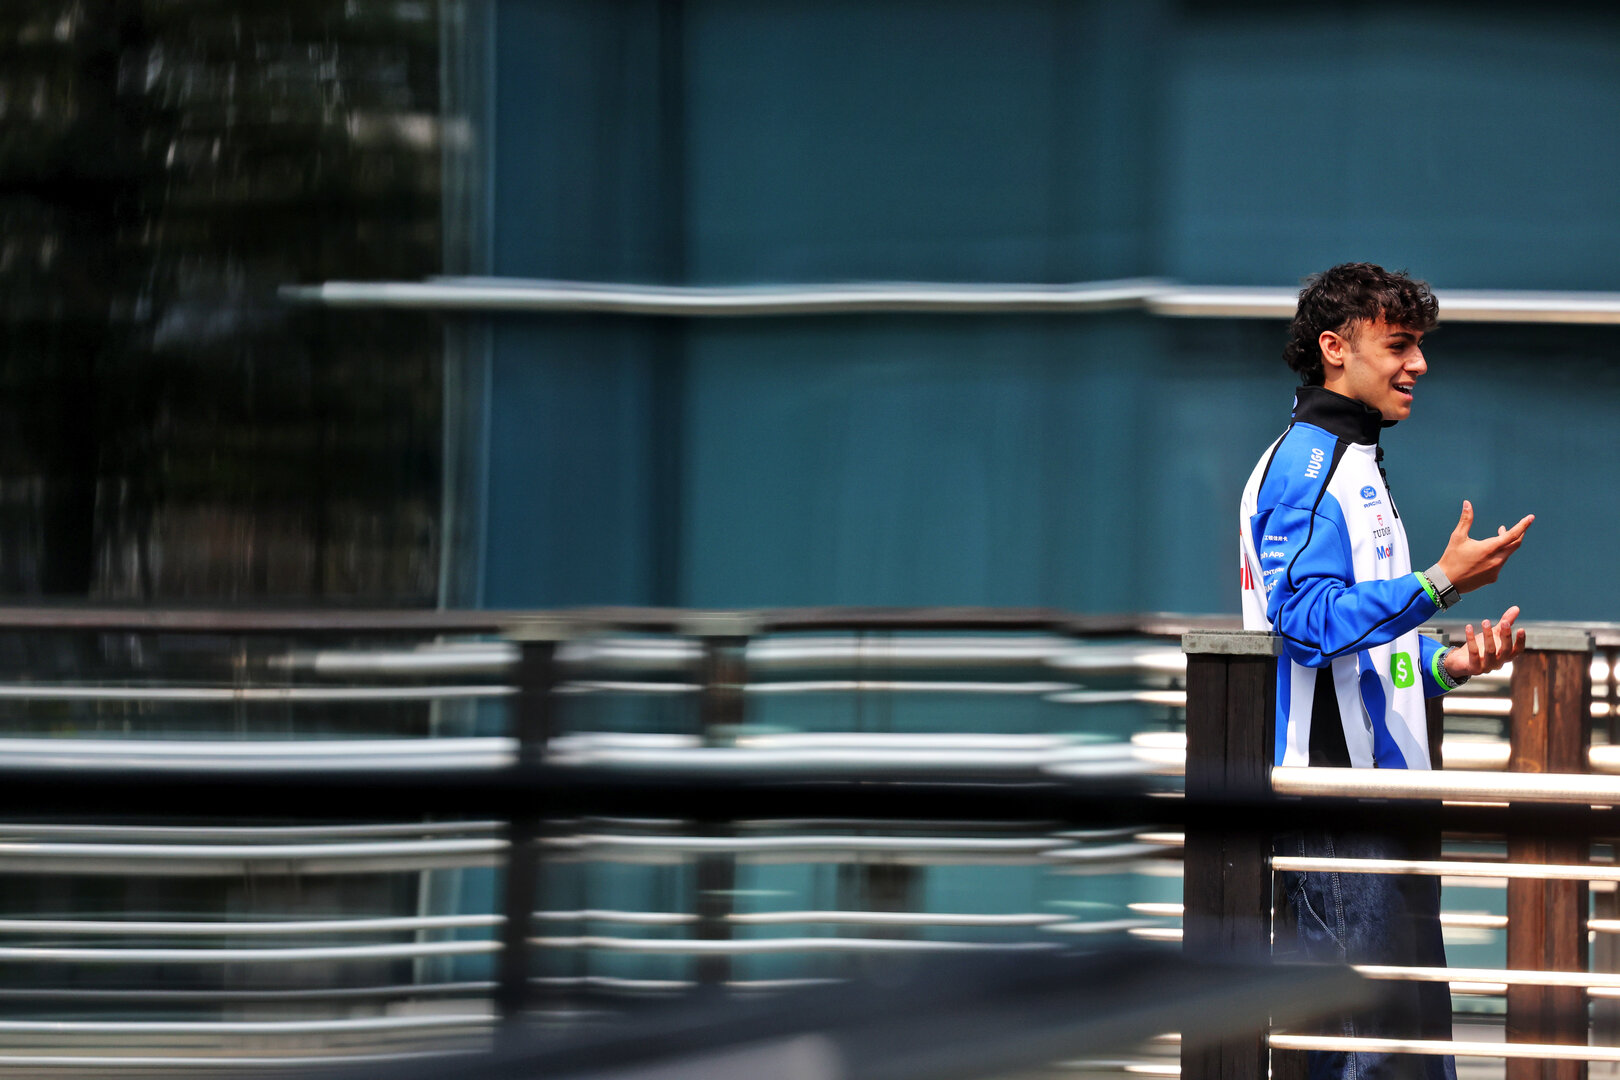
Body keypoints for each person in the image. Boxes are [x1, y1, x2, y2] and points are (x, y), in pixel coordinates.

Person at [1237, 263, 1533, 1080]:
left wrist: (1449, 663)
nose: (1419, 365)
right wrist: (1439, 582)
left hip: (1383, 800)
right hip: (1336, 805)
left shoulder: (1353, 457)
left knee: (1411, 1048)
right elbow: (1302, 622)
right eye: (1399, 345)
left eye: (1419, 345)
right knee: (1363, 1057)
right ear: (1335, 350)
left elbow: (1366, 655)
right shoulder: (1309, 462)